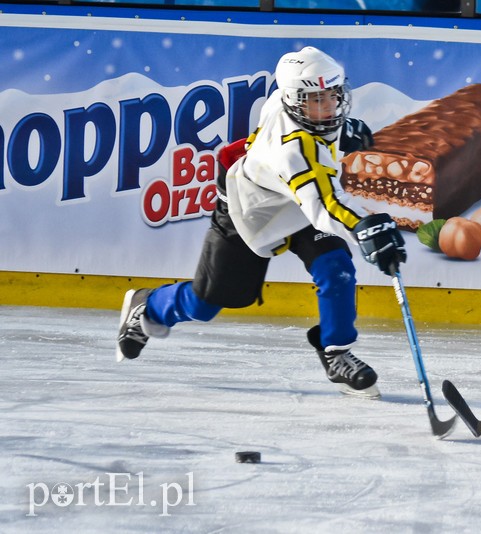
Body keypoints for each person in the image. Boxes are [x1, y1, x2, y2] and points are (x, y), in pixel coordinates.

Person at [116, 46, 406, 399]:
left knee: (335, 266)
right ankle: (150, 306)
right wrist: (366, 226)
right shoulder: (293, 151)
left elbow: (318, 181)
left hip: (296, 203)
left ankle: (336, 352)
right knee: (209, 302)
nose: (329, 106)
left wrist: (340, 133)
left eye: (333, 95)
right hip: (252, 213)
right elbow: (326, 206)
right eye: (317, 100)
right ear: (294, 102)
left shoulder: (288, 103)